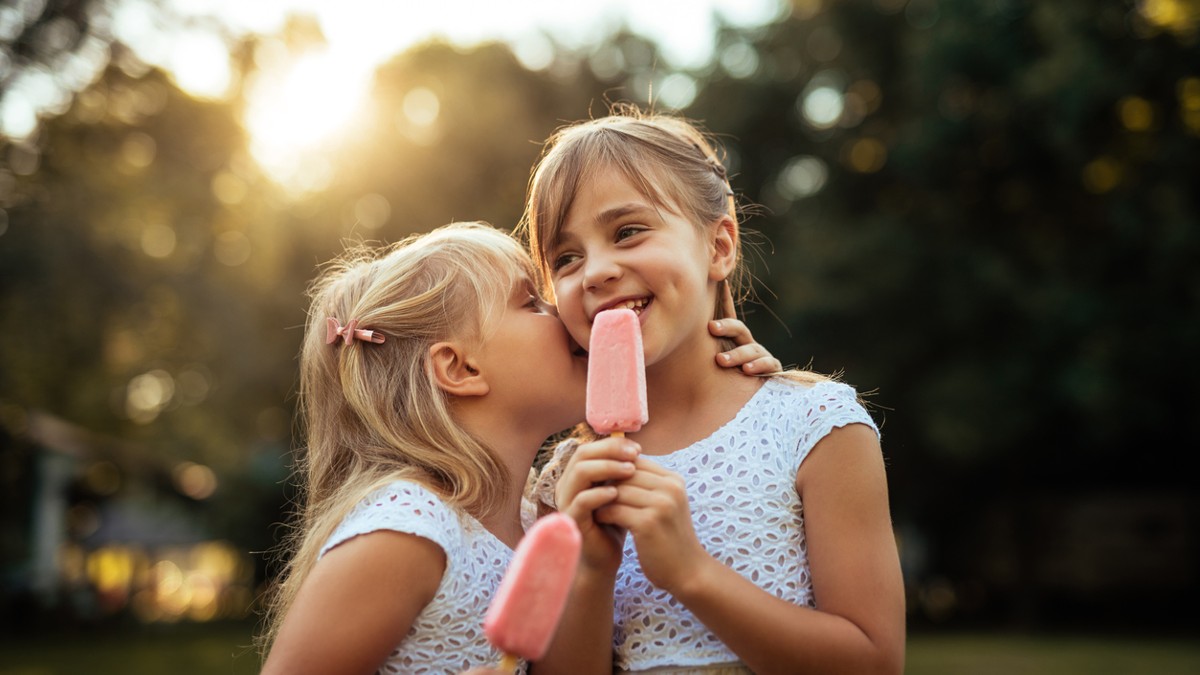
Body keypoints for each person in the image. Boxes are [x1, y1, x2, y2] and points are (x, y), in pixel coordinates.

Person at [258, 221, 777, 674]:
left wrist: (725, 384)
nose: (563, 311)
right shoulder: (409, 526)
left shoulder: (538, 518)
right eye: (531, 303)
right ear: (461, 369)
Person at [520, 106, 907, 674]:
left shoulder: (815, 426)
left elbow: (875, 662)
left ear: (720, 246)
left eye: (627, 231)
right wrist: (592, 570)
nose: (596, 270)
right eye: (566, 258)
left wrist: (690, 572)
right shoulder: (570, 474)